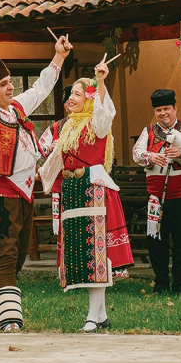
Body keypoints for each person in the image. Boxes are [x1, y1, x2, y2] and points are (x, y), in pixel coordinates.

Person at [0, 35, 72, 332]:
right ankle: (9, 320)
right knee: (6, 254)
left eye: (9, 82)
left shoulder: (16, 108)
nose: (11, 87)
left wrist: (58, 57)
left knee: (17, 257)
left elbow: (42, 88)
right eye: (4, 84)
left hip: (23, 192)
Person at [39, 62, 134, 332]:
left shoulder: (97, 123)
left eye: (77, 94)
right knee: (83, 252)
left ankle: (92, 316)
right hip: (72, 191)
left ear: (89, 99)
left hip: (94, 191)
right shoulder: (67, 129)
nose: (71, 98)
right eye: (70, 95)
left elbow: (107, 113)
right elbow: (55, 160)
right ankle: (100, 314)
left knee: (96, 252)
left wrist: (101, 83)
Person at [131, 89, 181, 294]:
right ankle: (161, 282)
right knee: (156, 240)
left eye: (167, 108)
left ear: (175, 108)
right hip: (155, 198)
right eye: (158, 110)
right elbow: (136, 154)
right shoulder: (148, 131)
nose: (163, 113)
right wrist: (151, 157)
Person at [38, 88, 82, 251]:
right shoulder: (55, 128)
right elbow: (38, 151)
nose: (72, 105)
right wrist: (50, 148)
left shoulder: (90, 126)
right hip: (61, 183)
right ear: (65, 106)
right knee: (65, 227)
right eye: (68, 103)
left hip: (83, 183)